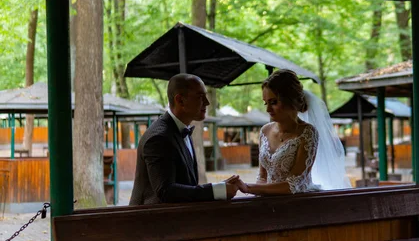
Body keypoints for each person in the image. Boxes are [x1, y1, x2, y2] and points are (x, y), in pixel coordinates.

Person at [129, 74, 245, 205]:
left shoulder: (180, 130)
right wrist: (216, 190)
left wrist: (219, 186)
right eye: (200, 97)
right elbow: (166, 191)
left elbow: (185, 184)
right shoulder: (159, 138)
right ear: (180, 100)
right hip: (150, 221)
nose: (207, 102)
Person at [239, 69, 350, 196]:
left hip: (297, 203)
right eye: (266, 103)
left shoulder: (307, 133)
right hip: (268, 203)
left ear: (289, 100)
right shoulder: (265, 131)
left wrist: (248, 188)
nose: (268, 109)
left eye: (274, 102)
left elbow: (294, 184)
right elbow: (262, 177)